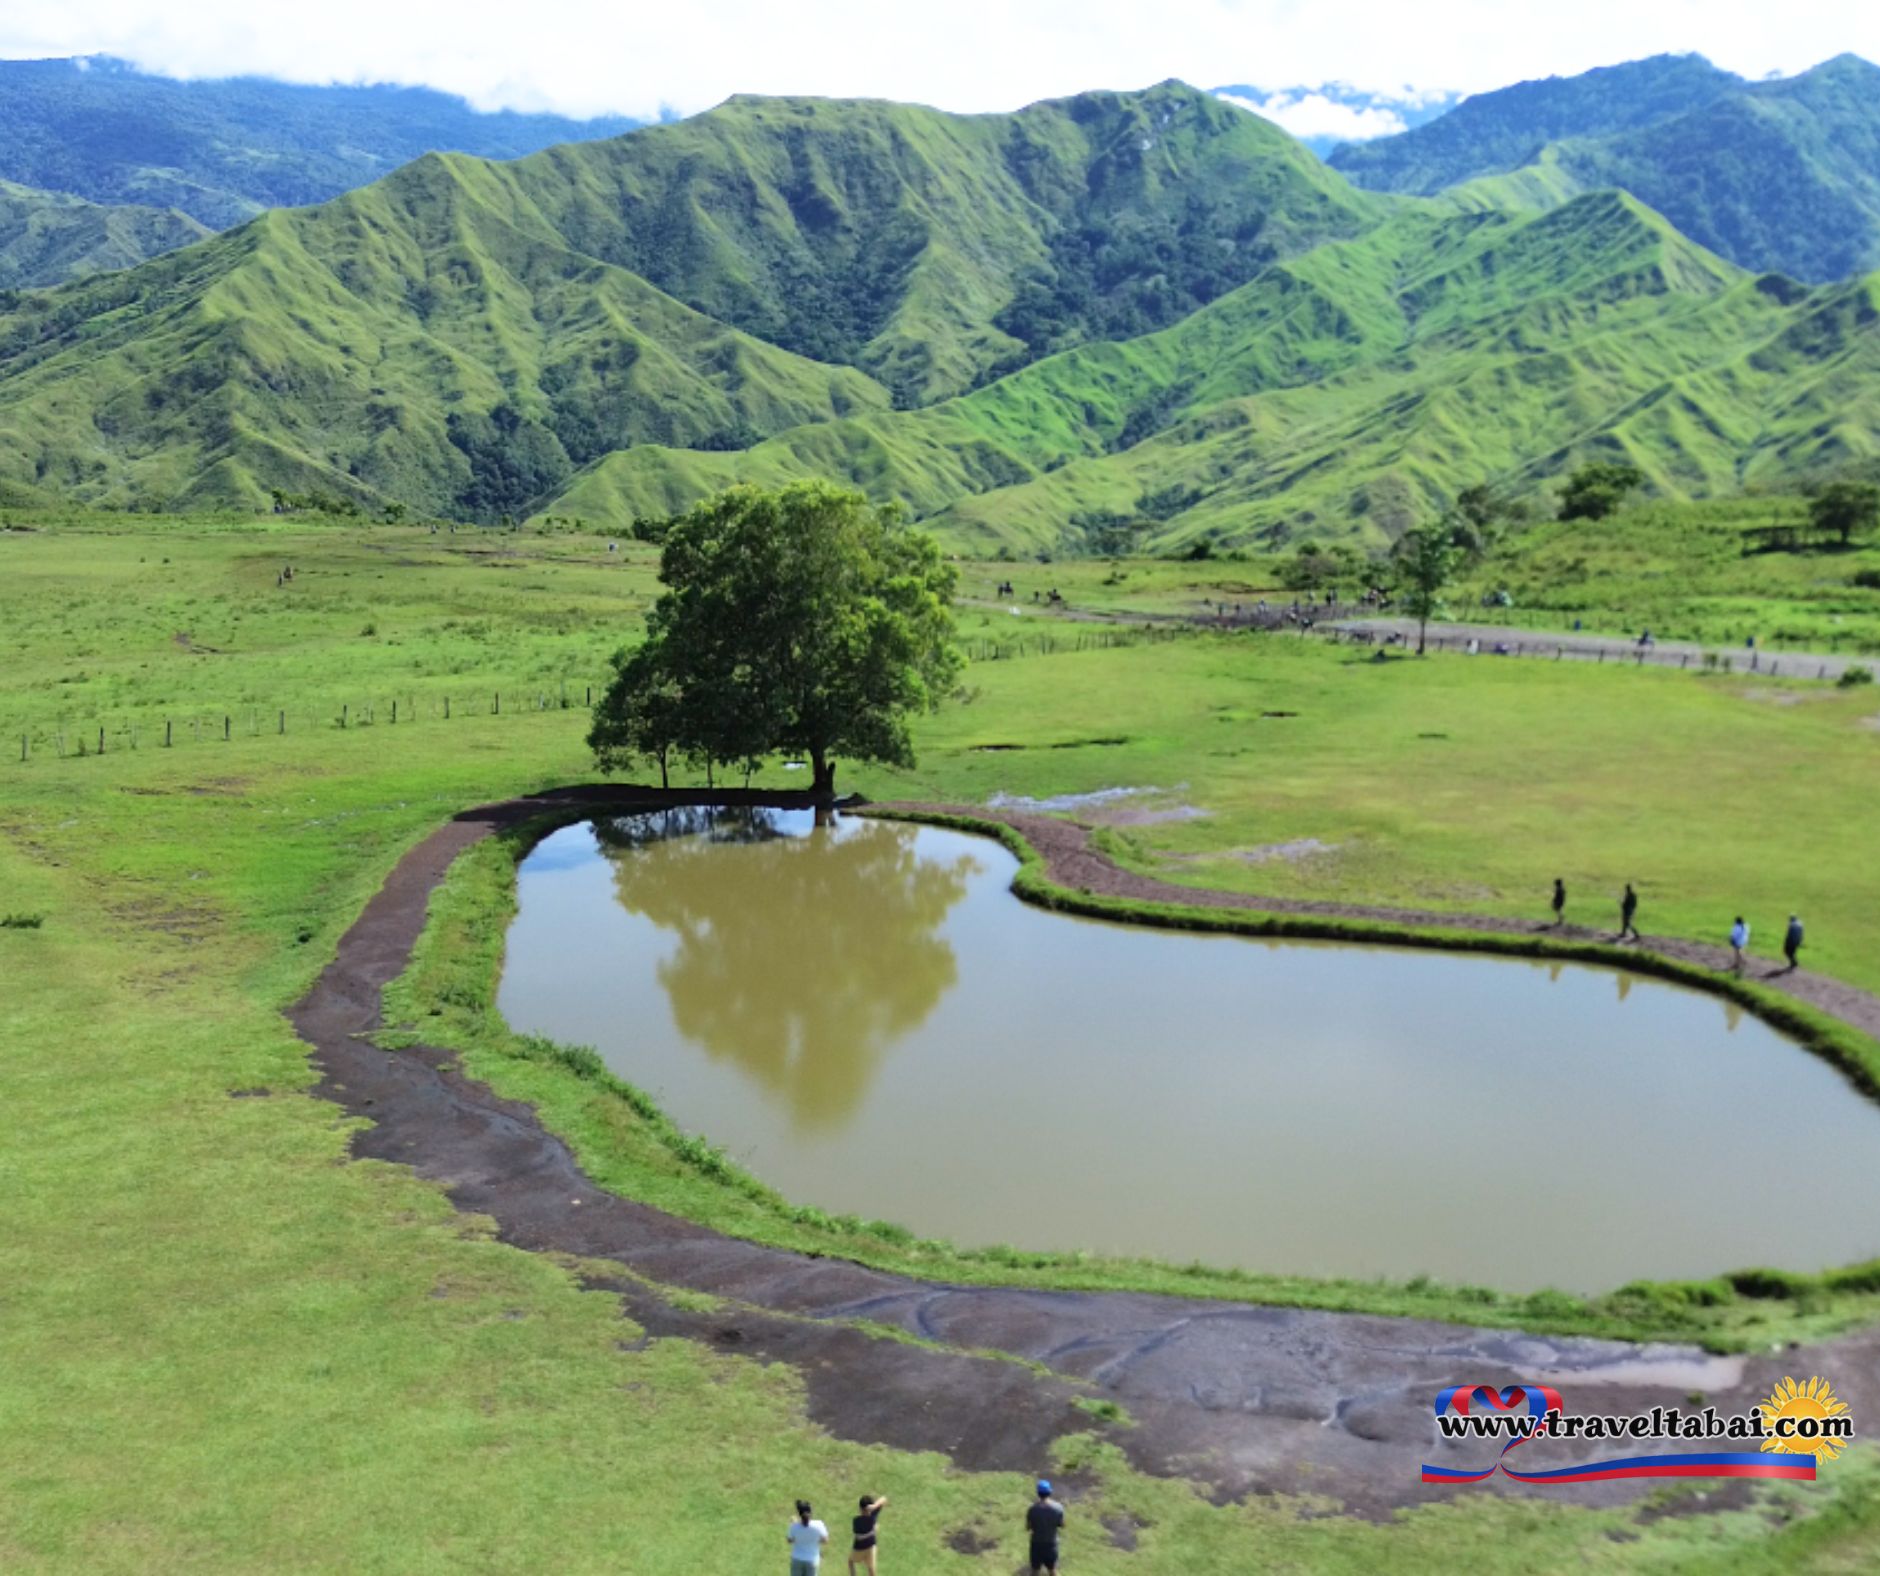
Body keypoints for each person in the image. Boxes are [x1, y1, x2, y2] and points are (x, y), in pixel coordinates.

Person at [1026, 1480, 1065, 1575]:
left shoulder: (1032, 1509)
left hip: (1037, 1544)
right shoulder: (1058, 1508)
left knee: (1035, 1571)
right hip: (1051, 1544)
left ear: (1038, 1493)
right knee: (1052, 1570)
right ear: (1050, 1492)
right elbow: (1062, 1525)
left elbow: (1028, 1527)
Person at [787, 1500, 829, 1576]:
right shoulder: (819, 1524)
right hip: (812, 1560)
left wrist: (794, 1523)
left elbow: (789, 1540)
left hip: (797, 1559)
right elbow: (825, 1540)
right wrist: (814, 1540)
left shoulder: (794, 1526)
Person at [848, 1495, 888, 1574]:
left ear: (860, 1509)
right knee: (871, 1568)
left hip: (859, 1548)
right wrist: (875, 1506)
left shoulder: (857, 1521)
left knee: (850, 1562)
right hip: (871, 1546)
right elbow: (884, 1499)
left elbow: (858, 1537)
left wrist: (872, 1532)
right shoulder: (873, 1515)